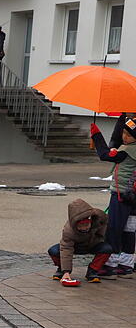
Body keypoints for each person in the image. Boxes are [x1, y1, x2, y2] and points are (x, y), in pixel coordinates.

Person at [91, 117, 136, 278]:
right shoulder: (130, 149)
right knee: (129, 230)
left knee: (114, 229)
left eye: (129, 135)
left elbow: (104, 155)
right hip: (133, 197)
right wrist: (122, 119)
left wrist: (96, 136)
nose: (125, 137)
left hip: (121, 195)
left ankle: (110, 265)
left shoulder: (127, 152)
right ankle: (126, 264)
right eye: (123, 133)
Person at [47, 199, 112, 286]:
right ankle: (61, 269)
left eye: (87, 224)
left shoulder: (98, 218)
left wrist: (100, 235)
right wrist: (66, 271)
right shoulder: (68, 231)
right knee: (53, 251)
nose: (84, 228)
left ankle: (93, 270)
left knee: (107, 249)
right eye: (81, 225)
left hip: (93, 244)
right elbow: (66, 249)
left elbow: (106, 220)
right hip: (75, 247)